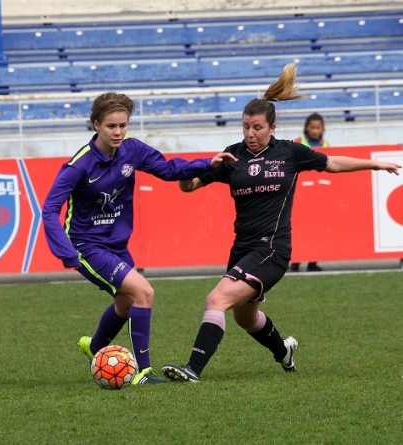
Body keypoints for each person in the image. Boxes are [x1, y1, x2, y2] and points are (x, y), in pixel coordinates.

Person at [161, 64, 400, 384]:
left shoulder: (289, 152)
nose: (250, 134)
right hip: (242, 247)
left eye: (257, 127)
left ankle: (192, 369)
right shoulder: (231, 158)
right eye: (245, 127)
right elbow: (188, 186)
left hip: (273, 247)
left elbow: (333, 163)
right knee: (245, 317)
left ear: (272, 127)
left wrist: (375, 163)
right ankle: (283, 350)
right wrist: (201, 166)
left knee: (216, 299)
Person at [42, 92, 237, 385]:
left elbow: (170, 170)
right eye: (111, 126)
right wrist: (67, 253)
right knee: (144, 292)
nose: (118, 132)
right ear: (96, 125)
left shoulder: (132, 150)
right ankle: (142, 372)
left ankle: (96, 347)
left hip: (116, 244)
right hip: (86, 245)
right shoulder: (79, 166)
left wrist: (207, 164)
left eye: (123, 125)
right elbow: (49, 210)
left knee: (125, 302)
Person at [290, 112, 330, 272]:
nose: (315, 130)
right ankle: (296, 261)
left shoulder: (326, 144)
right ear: (306, 128)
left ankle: (313, 261)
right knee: (299, 226)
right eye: (312, 127)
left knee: (317, 226)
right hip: (301, 191)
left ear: (322, 129)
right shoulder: (298, 143)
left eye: (318, 128)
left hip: (320, 192)